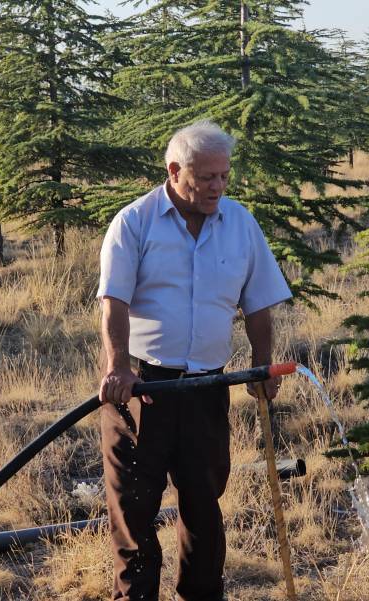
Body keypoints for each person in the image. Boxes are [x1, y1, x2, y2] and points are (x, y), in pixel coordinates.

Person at [96, 120, 292, 600]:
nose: (217, 187)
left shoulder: (241, 223)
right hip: (141, 390)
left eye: (224, 176)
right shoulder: (134, 222)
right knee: (134, 511)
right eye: (206, 178)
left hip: (207, 389)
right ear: (174, 171)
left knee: (204, 506)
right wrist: (118, 368)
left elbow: (259, 302)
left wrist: (263, 364)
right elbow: (114, 304)